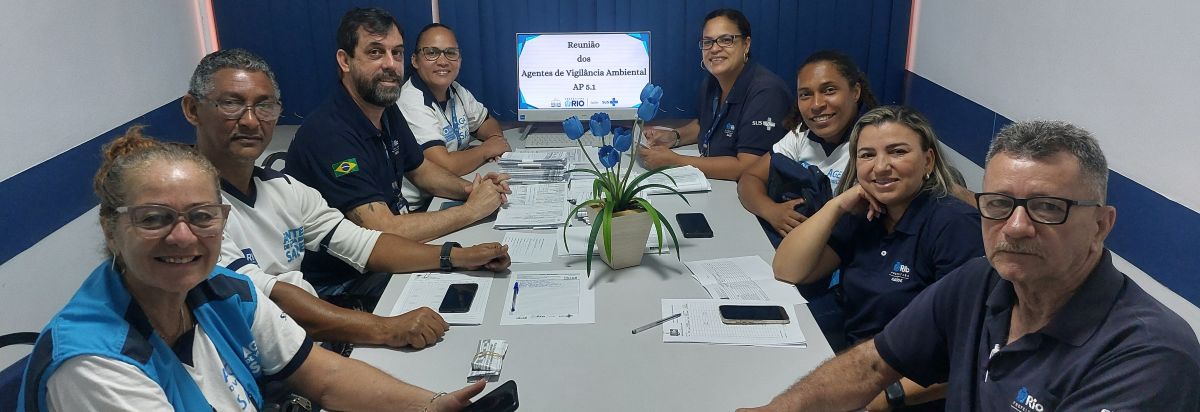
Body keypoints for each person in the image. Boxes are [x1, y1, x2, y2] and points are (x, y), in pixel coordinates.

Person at [741, 121, 1200, 411]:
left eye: (1047, 207)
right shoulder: (981, 282)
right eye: (998, 203)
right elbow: (871, 365)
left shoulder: (1148, 354)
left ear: (1101, 224)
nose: (1016, 227)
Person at [18, 127, 487, 411]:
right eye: (155, 218)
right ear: (110, 229)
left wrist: (431, 405)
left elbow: (325, 376)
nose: (183, 237)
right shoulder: (93, 365)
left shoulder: (226, 291)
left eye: (202, 216)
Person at [181, 48, 510, 348]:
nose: (251, 120)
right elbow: (268, 301)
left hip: (300, 337)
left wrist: (457, 256)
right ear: (193, 109)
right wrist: (385, 328)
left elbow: (365, 244)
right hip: (256, 356)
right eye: (232, 104)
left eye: (264, 106)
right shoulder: (185, 211)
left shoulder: (284, 189)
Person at [285, 8, 510, 294]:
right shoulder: (329, 134)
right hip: (346, 281)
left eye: (397, 53)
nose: (390, 64)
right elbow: (382, 229)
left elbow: (422, 170)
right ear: (344, 60)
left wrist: (471, 190)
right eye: (375, 52)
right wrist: (471, 210)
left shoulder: (385, 109)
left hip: (394, 251)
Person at [773, 106, 984, 410]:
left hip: (905, 394)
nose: (881, 167)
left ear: (927, 161)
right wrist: (836, 205)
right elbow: (788, 269)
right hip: (855, 369)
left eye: (897, 152)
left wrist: (883, 399)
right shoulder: (867, 213)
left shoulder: (954, 225)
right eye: (867, 155)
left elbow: (970, 353)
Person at [737, 50, 878, 243]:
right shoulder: (801, 135)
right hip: (791, 243)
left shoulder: (873, 145)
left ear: (855, 92)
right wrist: (771, 211)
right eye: (805, 94)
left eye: (829, 90)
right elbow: (750, 178)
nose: (816, 104)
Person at [637, 8, 791, 181]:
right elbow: (707, 125)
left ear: (746, 44)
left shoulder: (767, 92)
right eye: (708, 42)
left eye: (726, 40)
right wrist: (674, 137)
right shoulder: (711, 83)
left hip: (749, 190)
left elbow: (749, 167)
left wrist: (675, 161)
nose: (715, 48)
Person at [398, 23, 510, 182]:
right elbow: (444, 166)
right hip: (426, 195)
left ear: (460, 60)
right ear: (415, 60)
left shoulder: (456, 90)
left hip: (457, 182)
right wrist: (486, 150)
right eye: (431, 53)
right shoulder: (411, 101)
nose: (443, 61)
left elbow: (486, 123)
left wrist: (495, 140)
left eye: (450, 53)